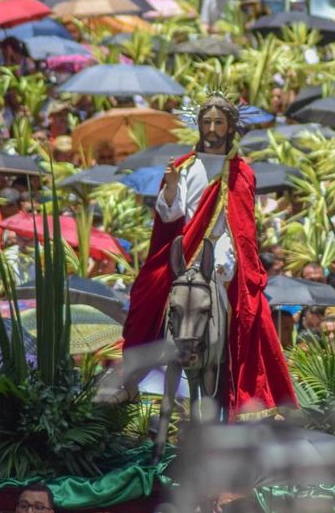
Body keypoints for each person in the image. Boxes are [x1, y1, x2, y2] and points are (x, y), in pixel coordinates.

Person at [118, 96, 296, 418]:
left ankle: (249, 391)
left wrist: (228, 255)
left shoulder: (242, 172)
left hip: (224, 254)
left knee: (252, 312)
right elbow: (170, 215)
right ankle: (131, 379)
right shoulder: (184, 167)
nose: (212, 129)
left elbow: (242, 227)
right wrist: (170, 189)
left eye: (219, 123)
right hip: (185, 250)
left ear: (230, 127)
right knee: (147, 291)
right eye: (207, 122)